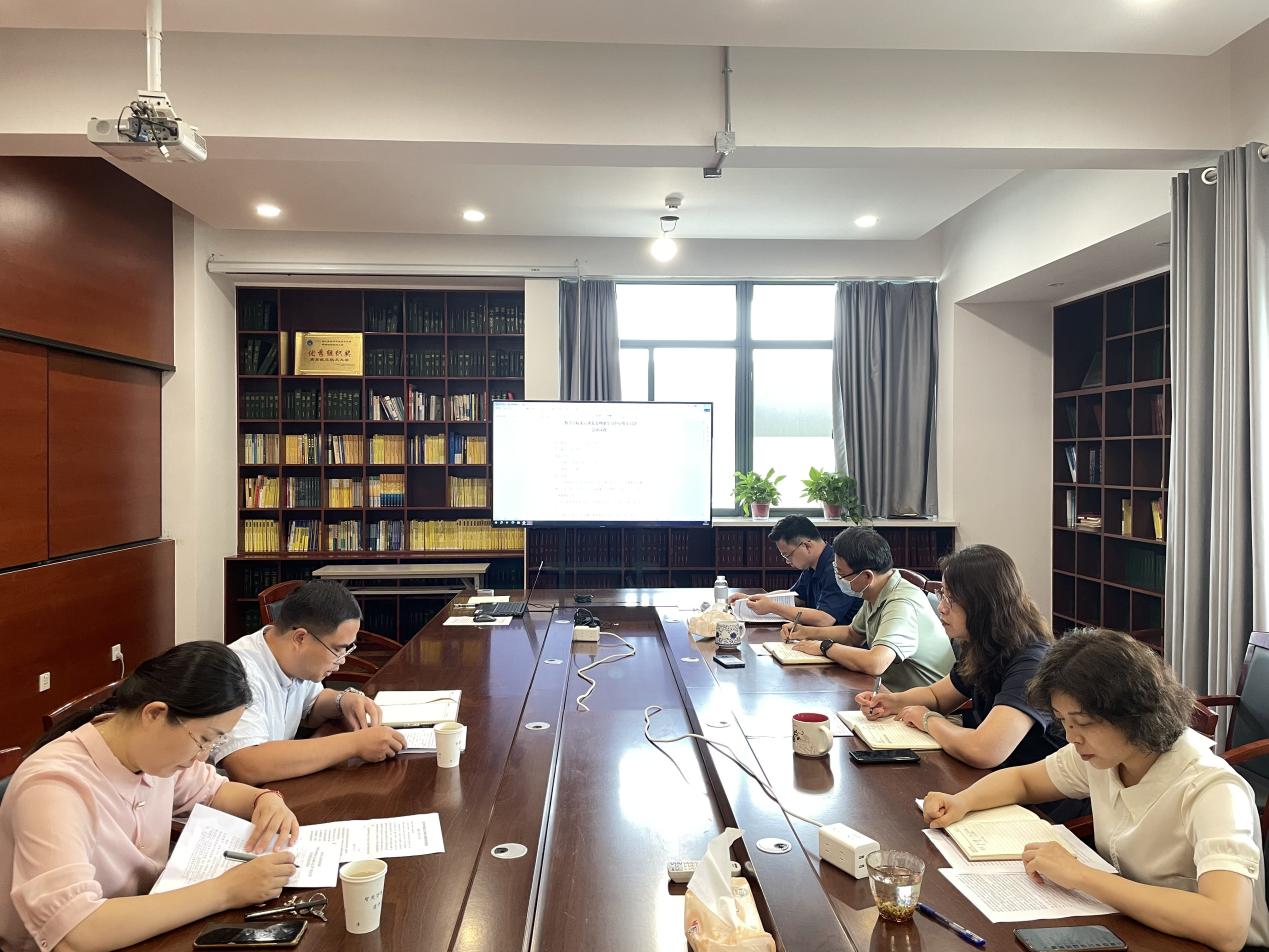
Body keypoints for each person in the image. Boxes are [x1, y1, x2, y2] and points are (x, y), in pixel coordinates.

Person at [922, 629, 1269, 952]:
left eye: (1083, 723)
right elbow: (1023, 781)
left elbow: (1227, 927)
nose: (1071, 737)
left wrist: (1082, 876)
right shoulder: (1105, 756)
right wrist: (962, 801)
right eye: (1064, 722)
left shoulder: (1213, 791)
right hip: (1132, 926)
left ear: (1134, 713)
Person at [0, 642, 301, 952]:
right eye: (203, 739)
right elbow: (76, 930)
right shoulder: (54, 786)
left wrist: (265, 800)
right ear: (155, 714)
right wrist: (226, 891)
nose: (201, 756)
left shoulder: (151, 755)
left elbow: (215, 790)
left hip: (146, 926)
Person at [855, 544, 1063, 769]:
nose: (941, 608)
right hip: (1000, 774)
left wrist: (928, 719)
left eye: (951, 599)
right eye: (942, 594)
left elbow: (985, 750)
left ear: (984, 604)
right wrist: (892, 702)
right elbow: (937, 697)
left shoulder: (1031, 661)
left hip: (1037, 786)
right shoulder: (984, 643)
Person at [216, 581, 406, 785]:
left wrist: (342, 701)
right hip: (228, 798)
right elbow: (246, 765)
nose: (342, 660)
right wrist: (355, 744)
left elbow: (311, 707)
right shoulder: (238, 672)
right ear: (300, 638)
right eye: (337, 649)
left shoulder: (292, 658)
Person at [785, 526, 953, 690]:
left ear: (866, 576)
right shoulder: (877, 590)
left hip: (925, 702)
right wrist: (805, 632)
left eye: (841, 574)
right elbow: (852, 635)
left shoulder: (901, 602)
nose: (838, 578)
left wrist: (825, 647)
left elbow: (876, 663)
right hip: (891, 693)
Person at [728, 515, 861, 626]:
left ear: (806, 546)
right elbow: (795, 596)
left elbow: (824, 619)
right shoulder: (812, 566)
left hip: (843, 642)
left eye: (787, 555)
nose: (787, 561)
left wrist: (772, 607)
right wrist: (752, 600)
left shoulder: (836, 568)